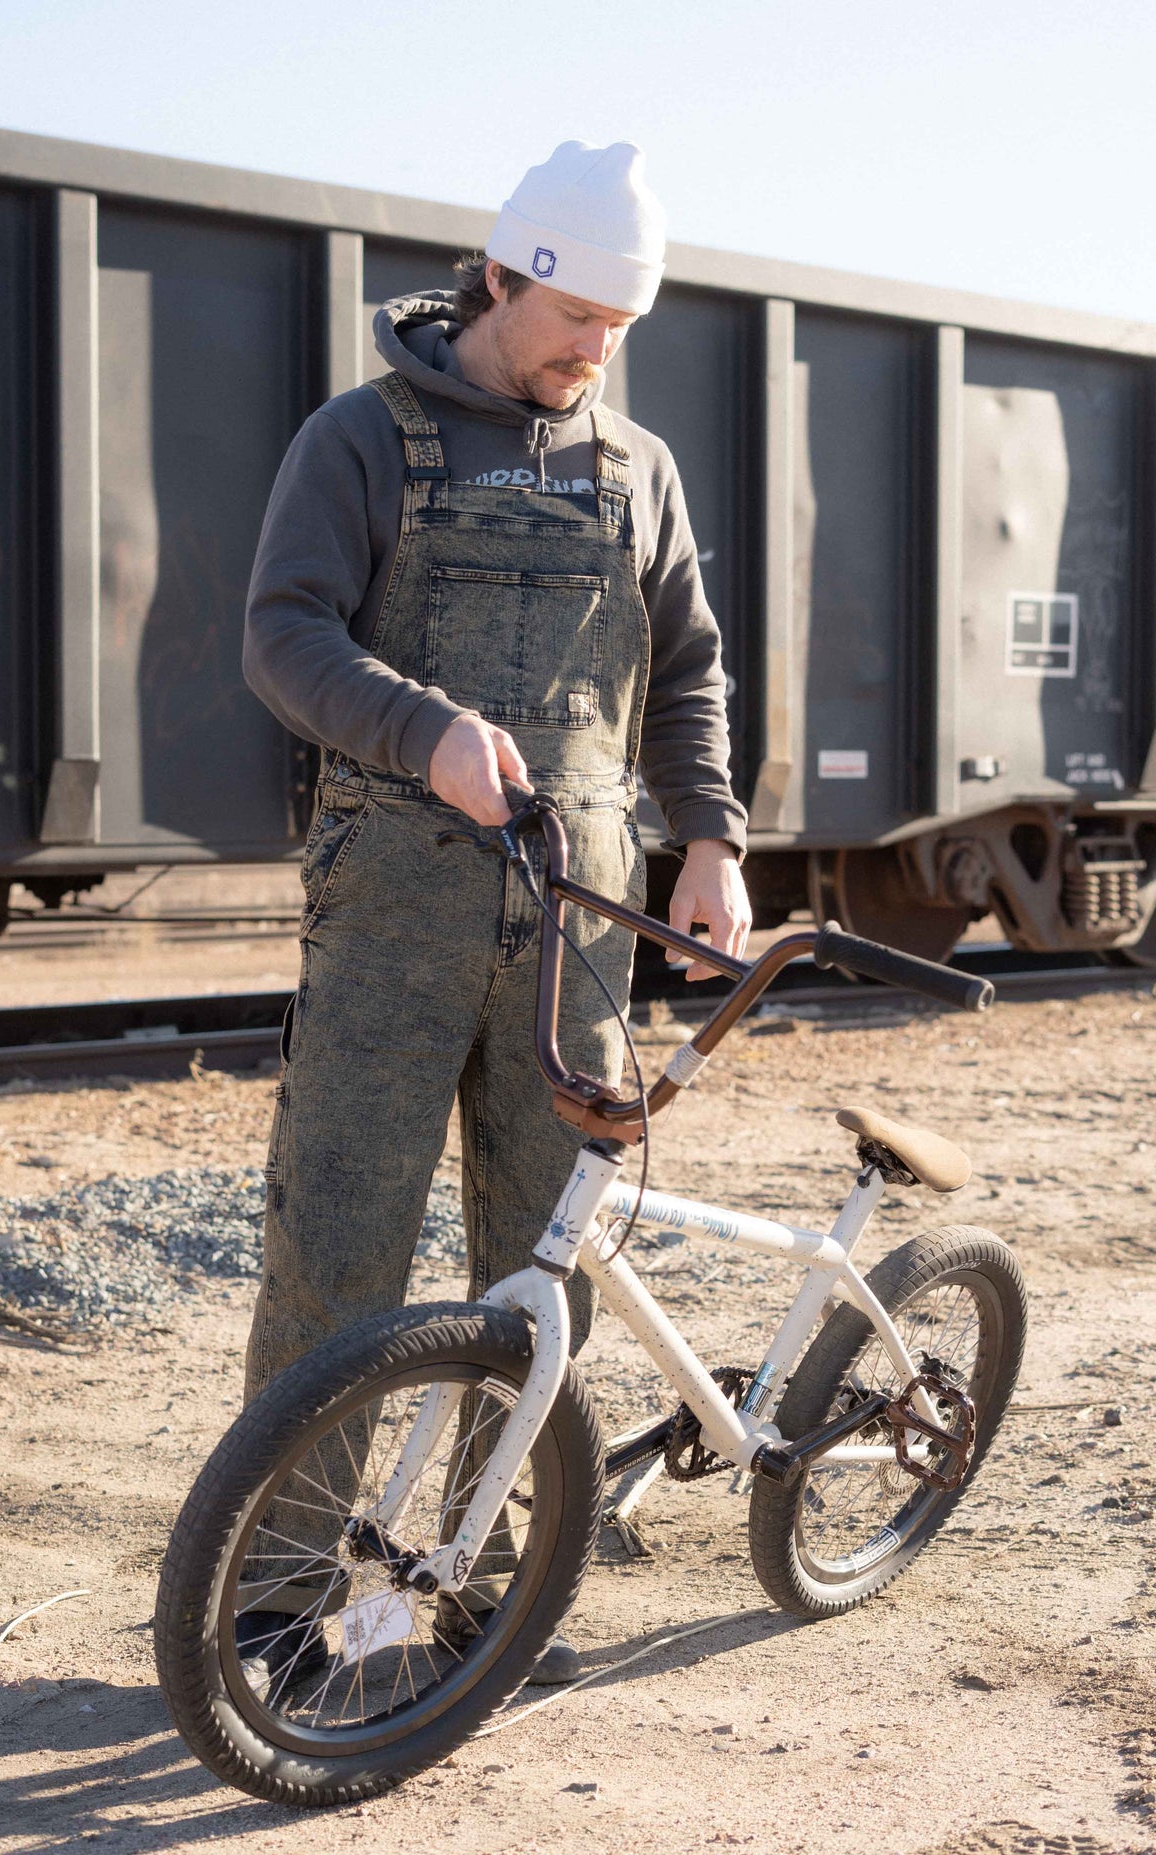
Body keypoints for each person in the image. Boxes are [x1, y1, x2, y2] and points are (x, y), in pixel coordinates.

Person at [240, 140, 750, 1685]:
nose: (598, 349)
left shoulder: (635, 467)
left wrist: (713, 842)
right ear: (505, 276)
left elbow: (690, 675)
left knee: (544, 1270)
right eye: (578, 314)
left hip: (584, 920)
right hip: (392, 905)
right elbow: (282, 637)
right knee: (339, 1256)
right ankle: (270, 1603)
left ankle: (481, 1600)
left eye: (623, 326)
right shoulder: (362, 439)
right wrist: (423, 729)